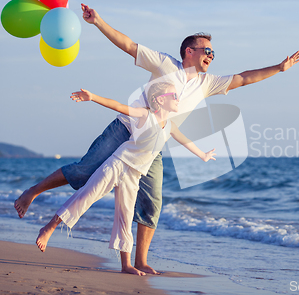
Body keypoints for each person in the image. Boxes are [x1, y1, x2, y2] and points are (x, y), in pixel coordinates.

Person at [15, 3, 299, 274]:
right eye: (207, 51)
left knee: (152, 201)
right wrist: (98, 21)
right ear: (189, 51)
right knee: (85, 171)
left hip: (154, 144)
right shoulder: (165, 64)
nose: (211, 56)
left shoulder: (207, 83)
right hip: (126, 128)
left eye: (213, 53)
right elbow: (128, 45)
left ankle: (140, 260)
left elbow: (243, 78)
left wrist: (278, 68)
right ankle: (34, 191)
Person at [36, 81, 216, 276]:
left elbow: (185, 140)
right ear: (159, 100)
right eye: (173, 95)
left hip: (134, 175)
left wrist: (203, 155)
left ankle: (126, 265)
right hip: (118, 164)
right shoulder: (145, 115)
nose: (178, 99)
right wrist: (93, 97)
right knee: (87, 196)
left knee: (126, 216)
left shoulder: (170, 125)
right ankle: (49, 227)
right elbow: (118, 106)